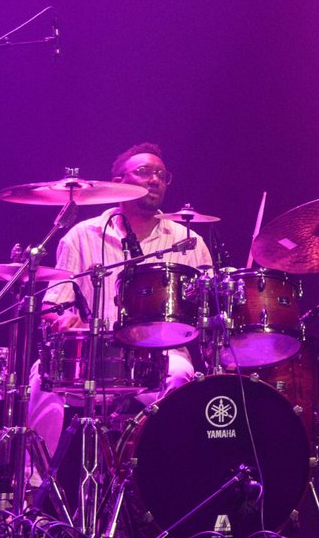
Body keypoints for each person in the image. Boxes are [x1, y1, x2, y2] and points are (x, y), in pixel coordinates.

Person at [27, 143, 210, 459]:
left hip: (161, 357)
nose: (155, 179)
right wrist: (64, 320)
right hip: (94, 356)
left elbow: (209, 307)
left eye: (162, 174)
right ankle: (33, 479)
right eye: (144, 172)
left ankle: (159, 471)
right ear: (117, 182)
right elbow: (53, 305)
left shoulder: (189, 241)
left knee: (181, 376)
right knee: (41, 377)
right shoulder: (82, 235)